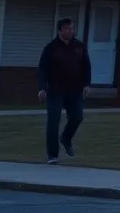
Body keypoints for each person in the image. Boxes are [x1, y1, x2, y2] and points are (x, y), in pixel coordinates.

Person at [36, 17, 91, 164]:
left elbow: (86, 66)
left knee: (77, 117)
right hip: (55, 90)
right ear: (60, 31)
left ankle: (66, 138)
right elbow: (42, 69)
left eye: (72, 28)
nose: (70, 31)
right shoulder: (51, 48)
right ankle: (52, 155)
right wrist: (42, 88)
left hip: (74, 90)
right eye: (67, 28)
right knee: (53, 121)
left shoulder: (79, 46)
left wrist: (86, 84)